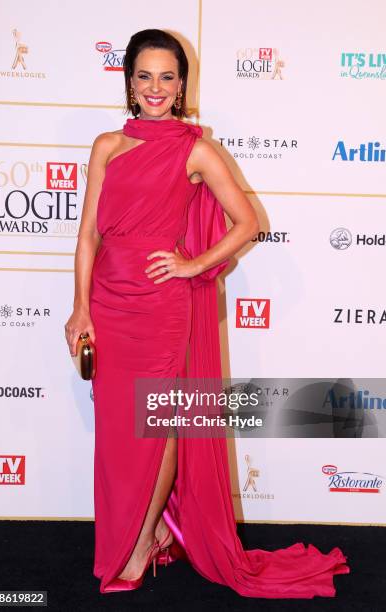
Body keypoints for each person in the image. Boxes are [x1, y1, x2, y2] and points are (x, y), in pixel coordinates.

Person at [64, 29, 350, 598]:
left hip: (161, 312)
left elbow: (248, 222)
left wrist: (194, 265)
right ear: (129, 81)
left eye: (167, 77)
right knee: (121, 434)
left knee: (160, 426)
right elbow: (88, 235)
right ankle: (146, 533)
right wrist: (79, 309)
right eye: (144, 76)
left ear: (181, 85)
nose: (155, 88)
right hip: (108, 305)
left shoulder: (195, 149)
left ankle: (142, 541)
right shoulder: (106, 147)